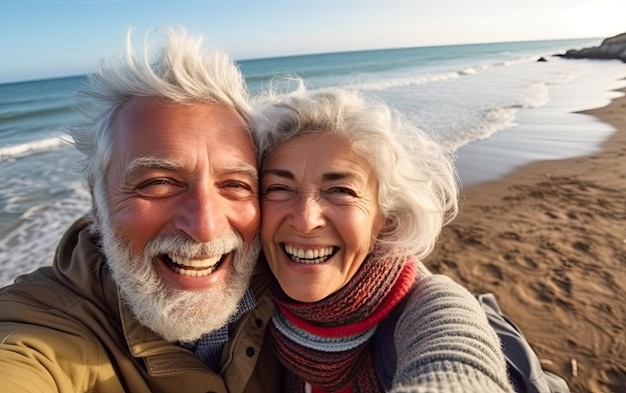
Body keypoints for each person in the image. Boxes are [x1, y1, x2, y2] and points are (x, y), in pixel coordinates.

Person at [0, 28, 281, 392]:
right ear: (96, 203)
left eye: (235, 185)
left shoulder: (296, 283)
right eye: (157, 184)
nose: (206, 226)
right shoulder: (39, 328)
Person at [253, 82, 517, 392]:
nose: (306, 220)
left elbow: (461, 363)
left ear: (385, 219)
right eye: (279, 189)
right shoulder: (243, 301)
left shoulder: (430, 307)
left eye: (341, 191)